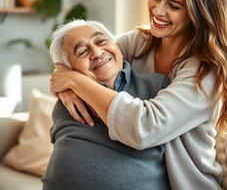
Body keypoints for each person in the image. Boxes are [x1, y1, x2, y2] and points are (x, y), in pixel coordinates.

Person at [50, 0, 227, 190]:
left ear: (198, 13)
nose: (158, 11)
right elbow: (89, 57)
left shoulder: (206, 71)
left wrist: (75, 82)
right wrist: (66, 86)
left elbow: (143, 128)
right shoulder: (139, 43)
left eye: (173, 6)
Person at [42, 20, 171, 190]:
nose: (96, 53)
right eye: (82, 52)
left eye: (101, 41)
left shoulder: (157, 86)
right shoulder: (69, 100)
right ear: (69, 69)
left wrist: (74, 81)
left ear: (117, 46)